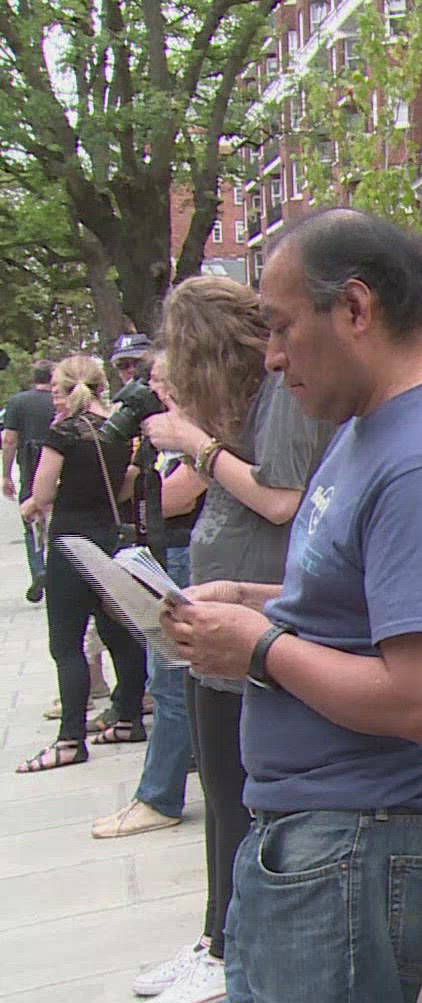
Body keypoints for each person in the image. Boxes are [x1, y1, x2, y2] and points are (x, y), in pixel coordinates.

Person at [161, 208, 422, 1003]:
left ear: (355, 309)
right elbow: (355, 602)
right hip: (313, 842)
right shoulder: (371, 427)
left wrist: (257, 647)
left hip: (359, 845)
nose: (270, 356)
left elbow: (421, 699)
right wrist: (251, 600)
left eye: (281, 327)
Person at [128, 277, 338, 1003]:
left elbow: (281, 499)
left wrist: (197, 444)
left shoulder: (283, 399)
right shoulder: (250, 402)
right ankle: (216, 936)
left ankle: (228, 950)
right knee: (219, 790)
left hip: (255, 620)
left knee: (233, 791)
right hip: (223, 614)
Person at [91, 349, 208, 839]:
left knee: (170, 679)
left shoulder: (198, 430)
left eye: (162, 379)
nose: (154, 390)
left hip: (183, 553)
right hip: (164, 553)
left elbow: (174, 497)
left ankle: (159, 796)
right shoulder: (167, 435)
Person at [14, 354, 148, 772]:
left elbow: (42, 493)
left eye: (56, 389)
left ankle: (70, 738)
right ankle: (128, 717)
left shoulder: (64, 433)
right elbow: (123, 488)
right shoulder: (118, 432)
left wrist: (33, 504)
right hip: (108, 539)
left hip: (71, 542)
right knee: (117, 632)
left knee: (66, 642)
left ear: (65, 389)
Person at [4, 360, 57, 601]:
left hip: (29, 467)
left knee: (31, 521)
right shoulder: (60, 400)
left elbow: (9, 440)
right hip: (57, 466)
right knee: (58, 523)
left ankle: (39, 570)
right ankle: (58, 570)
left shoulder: (17, 402)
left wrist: (6, 474)